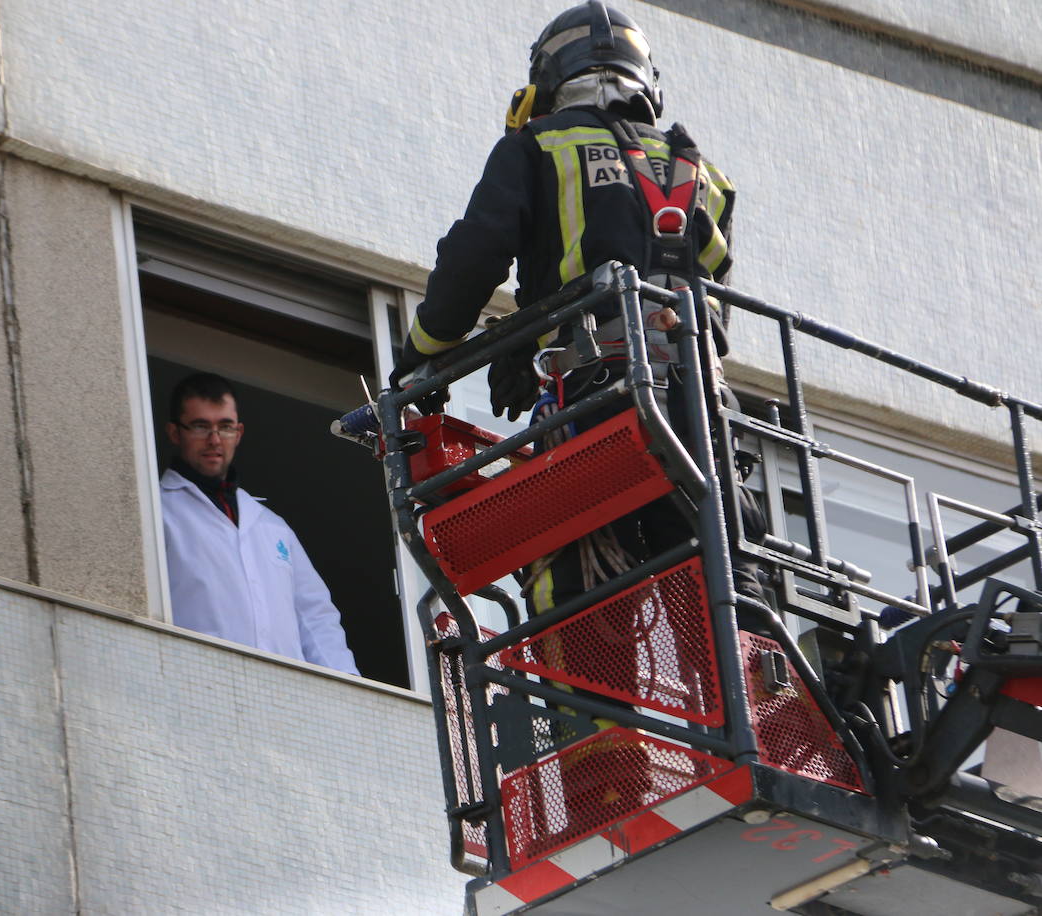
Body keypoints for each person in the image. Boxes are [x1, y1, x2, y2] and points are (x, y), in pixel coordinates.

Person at [389, 2, 768, 738]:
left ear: (546, 82)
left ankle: (599, 760)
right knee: (717, 568)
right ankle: (750, 729)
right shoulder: (704, 175)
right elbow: (704, 306)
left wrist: (421, 360)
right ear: (645, 81)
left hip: (595, 399)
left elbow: (472, 260)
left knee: (573, 571)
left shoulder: (540, 146)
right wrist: (523, 342)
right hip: (701, 405)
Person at [159, 372, 360, 676]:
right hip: (197, 688)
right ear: (175, 432)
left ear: (238, 433)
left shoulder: (272, 526)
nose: (214, 439)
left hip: (285, 702)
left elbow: (316, 617)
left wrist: (349, 692)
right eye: (201, 426)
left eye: (224, 427)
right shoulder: (158, 508)